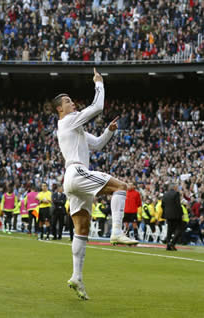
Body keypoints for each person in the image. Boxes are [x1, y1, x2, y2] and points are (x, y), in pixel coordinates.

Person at [55, 67, 137, 300]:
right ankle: (117, 232)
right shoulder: (69, 121)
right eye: (68, 101)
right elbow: (98, 107)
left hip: (71, 179)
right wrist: (98, 82)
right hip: (78, 172)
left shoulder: (74, 128)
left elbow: (98, 145)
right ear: (60, 109)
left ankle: (76, 277)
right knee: (122, 187)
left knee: (81, 230)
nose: (73, 103)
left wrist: (109, 132)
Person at [161, 184, 183, 251]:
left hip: (168, 215)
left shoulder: (165, 194)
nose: (177, 189)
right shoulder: (176, 194)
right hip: (176, 215)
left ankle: (168, 245)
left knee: (169, 230)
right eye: (177, 187)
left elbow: (162, 205)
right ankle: (172, 243)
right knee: (180, 229)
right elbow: (178, 204)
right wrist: (181, 213)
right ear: (174, 188)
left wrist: (165, 213)